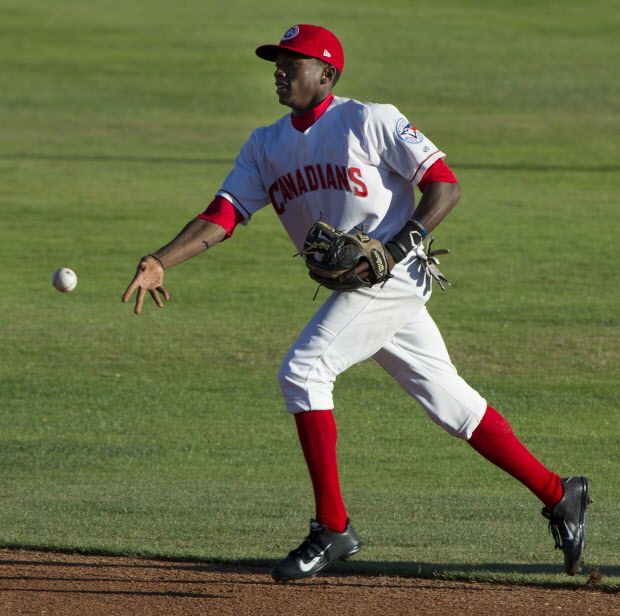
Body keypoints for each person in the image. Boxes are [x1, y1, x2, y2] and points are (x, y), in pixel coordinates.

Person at [122, 24, 591, 582]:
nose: (280, 70)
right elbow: (223, 215)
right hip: (359, 286)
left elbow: (443, 184)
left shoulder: (369, 120)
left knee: (303, 370)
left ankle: (333, 527)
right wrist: (160, 260)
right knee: (451, 403)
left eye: (292, 63)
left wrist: (395, 249)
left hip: (394, 276)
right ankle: (560, 493)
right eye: (277, 62)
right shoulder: (264, 145)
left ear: (327, 74)